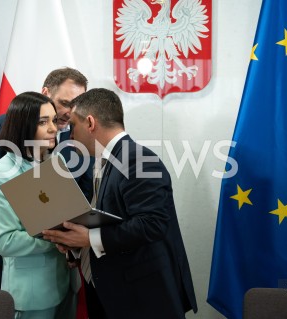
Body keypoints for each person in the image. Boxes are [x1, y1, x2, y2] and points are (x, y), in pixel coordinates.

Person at [42, 88, 198, 319]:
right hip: (111, 292)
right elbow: (107, 221)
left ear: (91, 123)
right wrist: (76, 245)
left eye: (73, 126)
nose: (70, 135)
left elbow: (152, 224)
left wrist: (89, 238)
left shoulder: (139, 159)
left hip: (142, 299)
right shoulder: (105, 161)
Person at [0, 67, 92, 289]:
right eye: (65, 102)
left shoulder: (79, 136)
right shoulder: (2, 128)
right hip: (16, 265)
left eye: (76, 105)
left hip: (63, 265)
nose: (70, 113)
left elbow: (85, 191)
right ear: (45, 92)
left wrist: (77, 244)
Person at [0, 91, 70, 318]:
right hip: (32, 294)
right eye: (43, 122)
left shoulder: (56, 161)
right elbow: (6, 242)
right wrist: (59, 241)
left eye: (53, 120)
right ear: (23, 126)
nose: (53, 128)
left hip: (67, 284)